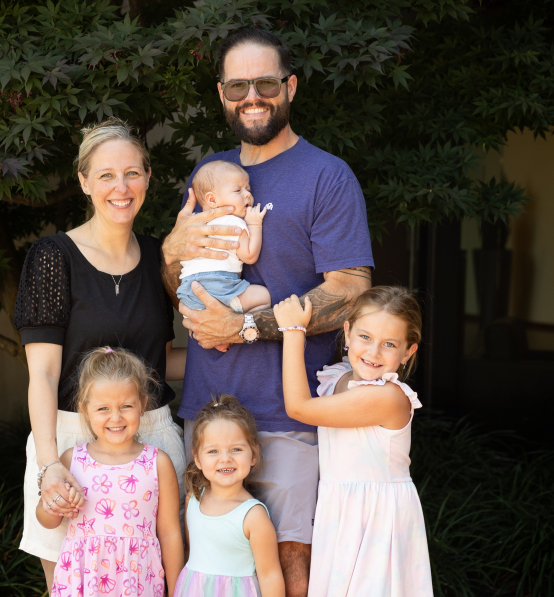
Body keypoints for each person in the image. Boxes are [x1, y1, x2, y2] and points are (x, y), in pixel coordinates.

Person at [161, 27, 374, 596]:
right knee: (209, 565)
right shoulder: (209, 176)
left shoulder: (327, 176)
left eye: (265, 83)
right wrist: (169, 251)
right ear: (221, 93)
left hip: (289, 414)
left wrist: (247, 325)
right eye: (238, 86)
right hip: (206, 413)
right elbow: (178, 276)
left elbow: (350, 289)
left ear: (290, 87)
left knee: (289, 564)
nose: (251, 96)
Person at [13, 117, 187, 593]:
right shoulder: (53, 257)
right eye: (106, 175)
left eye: (133, 172)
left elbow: (160, 361)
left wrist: (246, 346)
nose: (121, 187)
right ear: (84, 181)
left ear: (148, 177)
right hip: (70, 439)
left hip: (151, 438)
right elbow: (44, 375)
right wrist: (52, 465)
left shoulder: (158, 258)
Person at [273, 287, 434, 597]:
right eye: (365, 337)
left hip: (375, 519)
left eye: (389, 344)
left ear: (408, 352)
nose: (373, 353)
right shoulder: (339, 377)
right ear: (347, 332)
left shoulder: (388, 397)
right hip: (341, 512)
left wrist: (293, 331)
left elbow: (299, 408)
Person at [37, 347, 184, 597]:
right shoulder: (72, 460)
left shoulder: (157, 463)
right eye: (103, 408)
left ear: (143, 405)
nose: (115, 417)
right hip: (82, 579)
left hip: (138, 580)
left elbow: (170, 533)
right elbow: (47, 521)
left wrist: (176, 590)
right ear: (85, 409)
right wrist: (55, 504)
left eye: (126, 405)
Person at [173, 395, 284, 597]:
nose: (225, 459)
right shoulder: (193, 500)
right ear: (197, 458)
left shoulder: (253, 516)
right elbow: (191, 552)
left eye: (236, 449)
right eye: (213, 451)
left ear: (254, 455)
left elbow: (270, 575)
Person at [177, 160, 271, 317]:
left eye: (248, 189)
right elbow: (249, 256)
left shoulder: (192, 224)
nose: (247, 194)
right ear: (212, 200)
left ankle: (221, 341)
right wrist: (255, 225)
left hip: (189, 293)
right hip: (221, 288)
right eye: (237, 190)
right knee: (264, 297)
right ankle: (237, 323)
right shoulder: (233, 222)